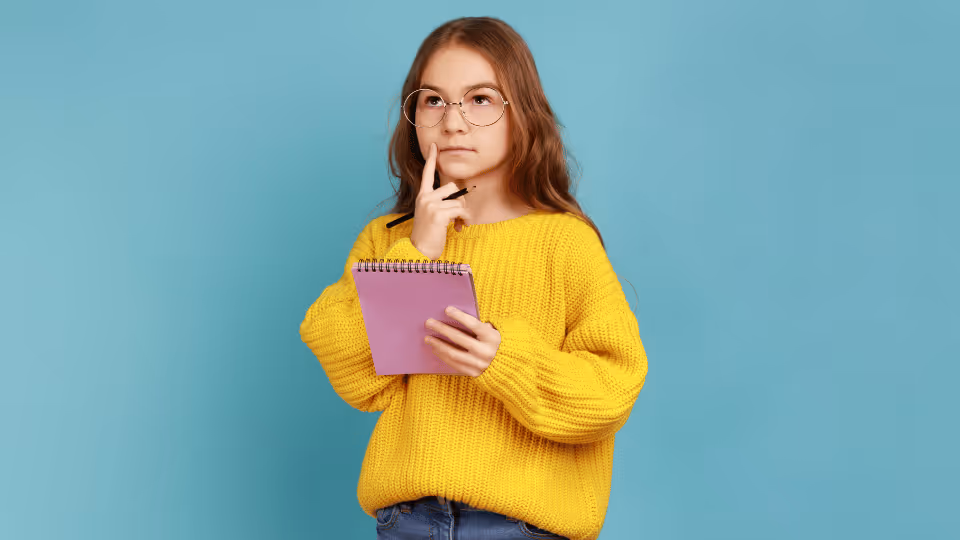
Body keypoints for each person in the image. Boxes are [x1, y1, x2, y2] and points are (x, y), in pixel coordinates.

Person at [299, 16, 648, 540]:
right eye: (433, 100)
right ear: (413, 115)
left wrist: (502, 360)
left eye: (481, 99)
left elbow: (610, 394)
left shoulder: (564, 242)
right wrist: (418, 251)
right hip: (408, 521)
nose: (453, 123)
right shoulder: (389, 239)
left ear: (521, 114)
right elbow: (352, 374)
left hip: (521, 525)